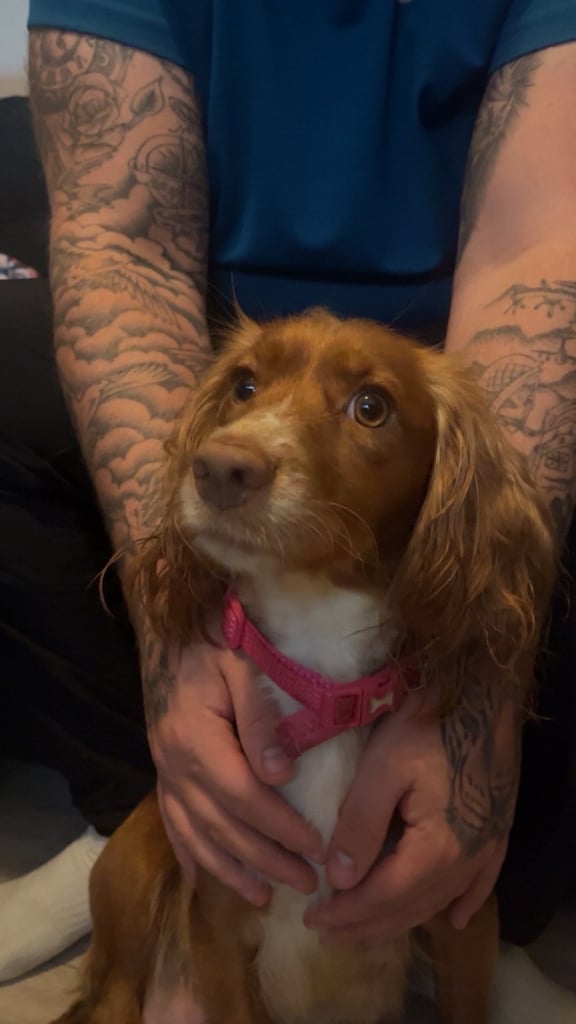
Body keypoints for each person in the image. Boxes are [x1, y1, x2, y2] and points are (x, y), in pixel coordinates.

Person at [0, 1, 574, 1009]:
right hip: (209, 316)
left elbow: (545, 258)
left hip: (466, 347)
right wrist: (168, 631)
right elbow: (118, 238)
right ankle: (159, 811)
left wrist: (478, 693)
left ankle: (485, 873)